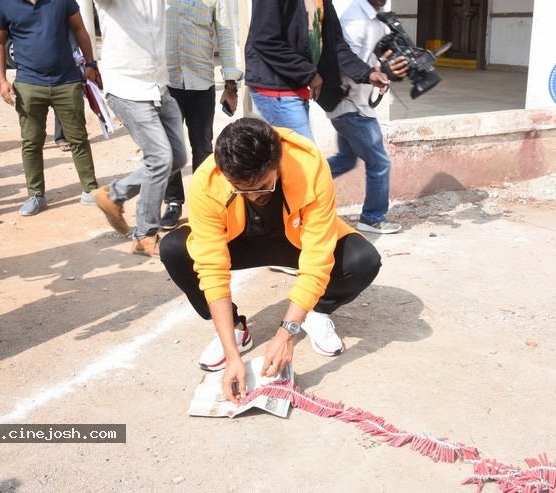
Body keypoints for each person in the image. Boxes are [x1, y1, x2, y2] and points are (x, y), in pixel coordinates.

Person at [159, 117, 382, 404]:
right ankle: (238, 329)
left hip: (296, 242)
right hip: (239, 242)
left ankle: (316, 311)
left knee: (363, 259)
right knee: (175, 248)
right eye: (241, 188)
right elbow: (211, 268)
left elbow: (317, 257)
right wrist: (232, 356)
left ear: (277, 164)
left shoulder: (308, 163)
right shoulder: (208, 180)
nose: (253, 195)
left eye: (262, 185)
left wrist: (287, 333)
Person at [90, 0, 187, 257]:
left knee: (177, 157)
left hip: (157, 86)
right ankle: (144, 235)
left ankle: (114, 194)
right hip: (127, 87)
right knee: (160, 159)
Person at [0, 0, 100, 216]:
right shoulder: (0, 2)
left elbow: (79, 29)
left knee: (78, 138)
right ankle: (36, 195)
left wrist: (91, 64)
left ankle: (90, 190)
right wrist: (1, 80)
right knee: (31, 142)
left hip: (66, 81)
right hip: (28, 84)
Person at [244, 0, 390, 142]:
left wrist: (367, 73)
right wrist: (309, 74)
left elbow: (336, 44)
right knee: (308, 158)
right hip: (275, 86)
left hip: (297, 84)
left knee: (294, 157)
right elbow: (264, 40)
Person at [160, 0, 244, 230]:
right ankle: (173, 203)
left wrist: (230, 86)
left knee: (203, 148)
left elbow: (226, 38)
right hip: (166, 83)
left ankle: (204, 203)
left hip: (201, 83)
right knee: (168, 148)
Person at [325, 0, 405, 234]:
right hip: (350, 106)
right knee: (379, 162)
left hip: (357, 105)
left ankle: (302, 182)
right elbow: (344, 62)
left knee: (346, 159)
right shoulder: (355, 19)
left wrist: (389, 68)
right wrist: (374, 73)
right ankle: (372, 217)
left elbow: (375, 60)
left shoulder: (381, 17)